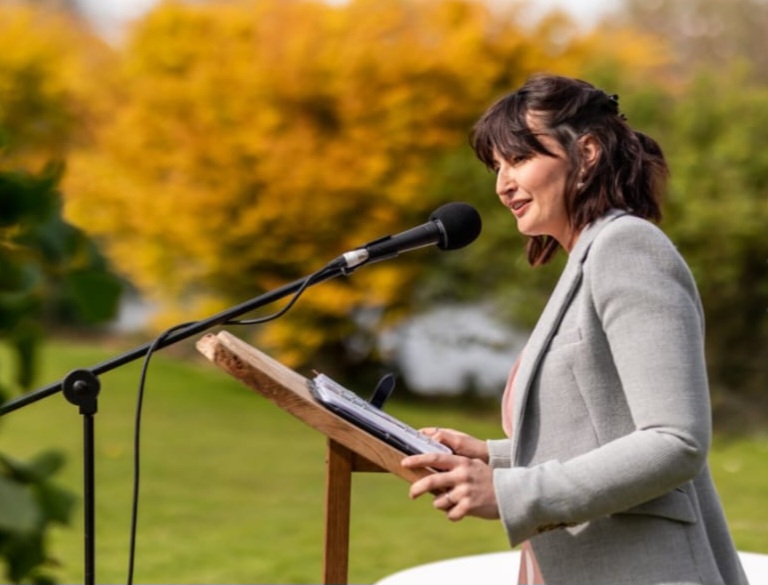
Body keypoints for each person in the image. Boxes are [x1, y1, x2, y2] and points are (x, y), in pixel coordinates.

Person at [401, 74, 749, 585]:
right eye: (497, 167)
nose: (502, 184)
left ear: (585, 153)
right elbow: (605, 427)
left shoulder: (627, 248)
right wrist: (493, 455)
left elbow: (675, 441)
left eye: (519, 159)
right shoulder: (585, 261)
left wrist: (514, 493)